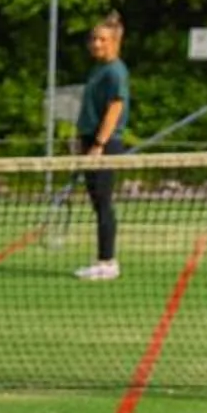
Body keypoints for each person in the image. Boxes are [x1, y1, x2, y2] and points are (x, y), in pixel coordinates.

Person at [74, 14, 130, 281]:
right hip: (89, 141)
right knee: (98, 203)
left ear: (115, 42)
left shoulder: (115, 71)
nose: (96, 44)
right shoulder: (97, 69)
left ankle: (107, 262)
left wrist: (98, 144)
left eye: (102, 39)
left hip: (103, 144)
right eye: (93, 39)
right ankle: (103, 259)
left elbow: (115, 108)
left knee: (104, 203)